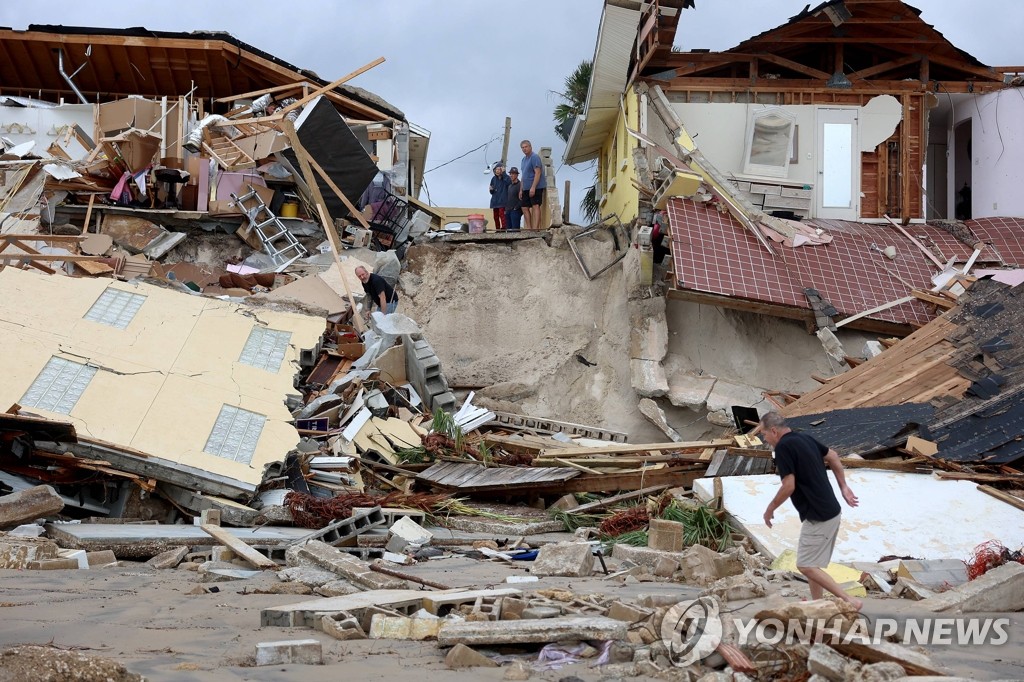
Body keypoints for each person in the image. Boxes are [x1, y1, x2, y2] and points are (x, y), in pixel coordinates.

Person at [760, 412, 862, 610]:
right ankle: (817, 604)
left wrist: (770, 509)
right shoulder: (803, 437)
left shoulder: (783, 447)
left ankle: (849, 600)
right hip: (830, 510)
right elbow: (832, 456)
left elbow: (789, 485)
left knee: (805, 565)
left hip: (819, 515)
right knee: (812, 565)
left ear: (773, 431)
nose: (764, 439)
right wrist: (843, 487)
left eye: (764, 434)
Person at [519, 140, 547, 231]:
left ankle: (536, 229)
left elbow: (538, 172)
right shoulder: (523, 159)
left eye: (526, 147)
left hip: (536, 187)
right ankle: (529, 229)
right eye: (522, 147)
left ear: (530, 147)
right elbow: (523, 175)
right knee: (524, 207)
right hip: (525, 187)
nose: (524, 149)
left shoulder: (534, 157)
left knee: (535, 205)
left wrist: (533, 187)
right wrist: (521, 189)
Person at [488, 163, 511, 230]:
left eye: (499, 169)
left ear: (502, 170)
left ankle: (504, 228)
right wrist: (491, 190)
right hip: (495, 201)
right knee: (495, 216)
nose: (497, 171)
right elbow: (491, 190)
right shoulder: (493, 179)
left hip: (503, 201)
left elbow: (509, 183)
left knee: (502, 215)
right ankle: (497, 229)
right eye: (496, 169)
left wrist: (504, 174)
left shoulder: (506, 177)